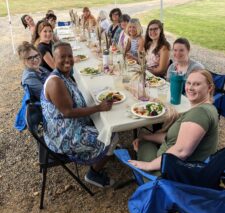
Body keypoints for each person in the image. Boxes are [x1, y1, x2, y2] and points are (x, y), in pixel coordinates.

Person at [41, 42, 115, 187]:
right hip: (64, 136)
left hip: (67, 127)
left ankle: (104, 154)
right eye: (62, 57)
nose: (67, 60)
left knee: (104, 124)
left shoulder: (63, 76)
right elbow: (68, 112)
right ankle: (93, 173)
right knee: (111, 135)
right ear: (54, 60)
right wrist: (98, 107)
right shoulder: (55, 82)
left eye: (70, 56)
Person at [129, 69, 218, 175]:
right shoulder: (208, 108)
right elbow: (173, 138)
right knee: (143, 139)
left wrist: (148, 166)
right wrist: (146, 136)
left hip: (170, 177)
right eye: (188, 83)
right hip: (183, 168)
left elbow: (181, 151)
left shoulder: (199, 113)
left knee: (141, 143)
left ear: (210, 87)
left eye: (197, 84)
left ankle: (146, 178)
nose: (190, 88)